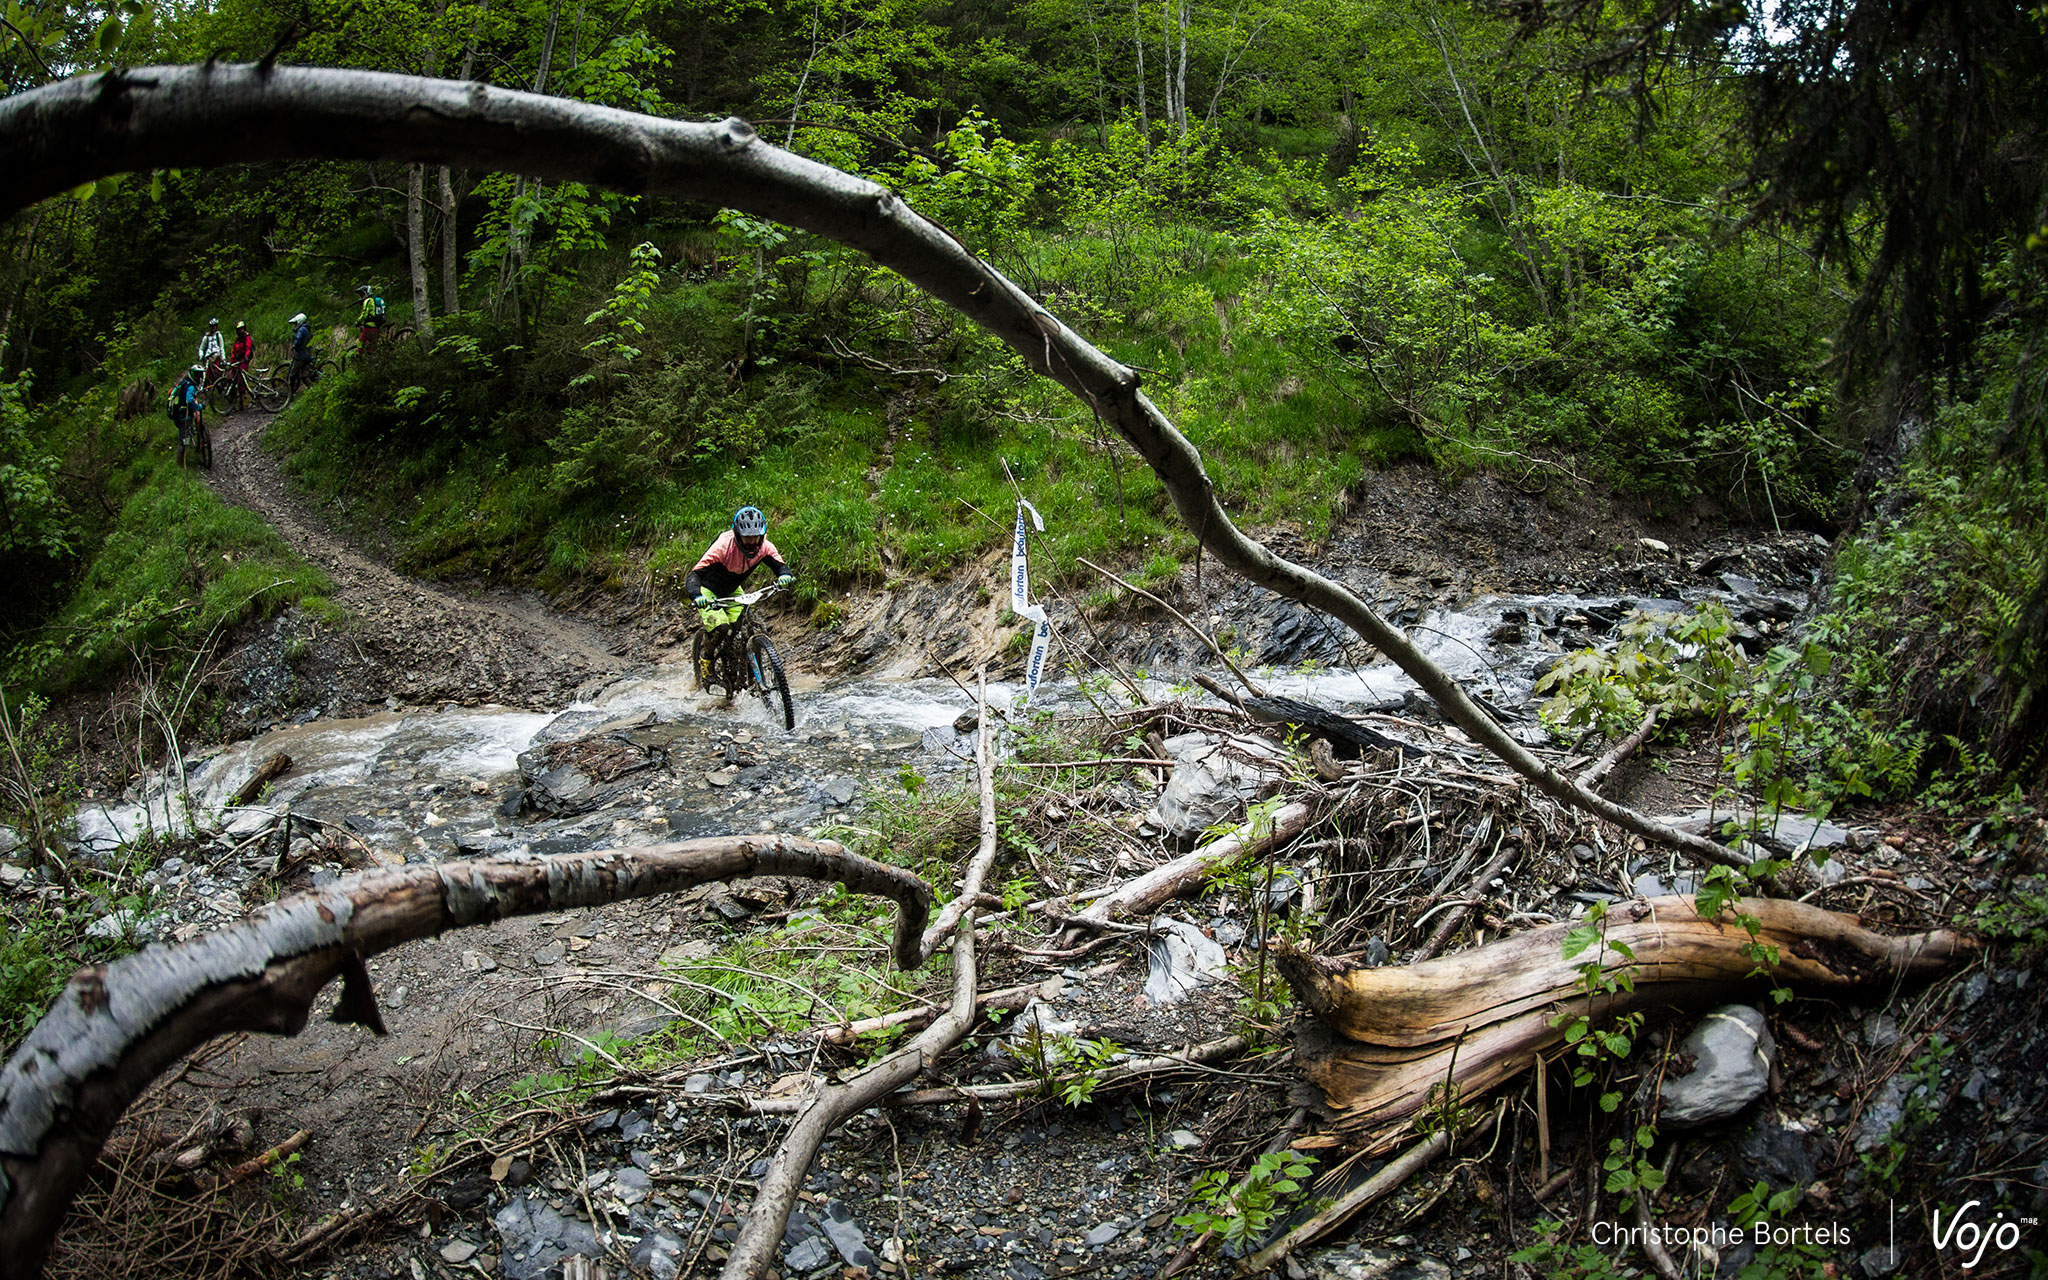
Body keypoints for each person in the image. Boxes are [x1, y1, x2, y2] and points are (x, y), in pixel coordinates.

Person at [684, 506, 795, 681]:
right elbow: (694, 575)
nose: (751, 542)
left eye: (755, 537)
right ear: (737, 534)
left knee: (741, 627)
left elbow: (781, 567)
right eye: (747, 538)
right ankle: (706, 659)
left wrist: (784, 576)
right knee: (721, 627)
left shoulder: (765, 547)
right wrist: (697, 596)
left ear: (762, 534)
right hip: (708, 590)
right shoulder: (722, 546)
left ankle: (745, 668)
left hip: (733, 589)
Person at [168, 364, 204, 467]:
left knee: (184, 437)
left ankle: (182, 461)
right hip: (184, 416)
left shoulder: (184, 383)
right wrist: (199, 407)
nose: (199, 377)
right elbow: (189, 401)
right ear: (193, 375)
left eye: (201, 375)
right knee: (183, 441)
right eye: (198, 375)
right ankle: (181, 466)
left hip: (178, 415)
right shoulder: (190, 387)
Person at [287, 312, 315, 390]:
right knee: (305, 376)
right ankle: (312, 390)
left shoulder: (301, 330)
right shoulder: (308, 329)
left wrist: (294, 347)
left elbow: (298, 340)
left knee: (292, 374)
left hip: (300, 356)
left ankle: (290, 392)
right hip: (308, 355)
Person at [355, 285, 386, 351]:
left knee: (361, 342)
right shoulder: (373, 301)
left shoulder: (368, 301)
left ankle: (359, 359)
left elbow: (364, 314)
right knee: (372, 346)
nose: (361, 297)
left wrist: (358, 322)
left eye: (362, 294)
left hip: (369, 327)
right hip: (375, 327)